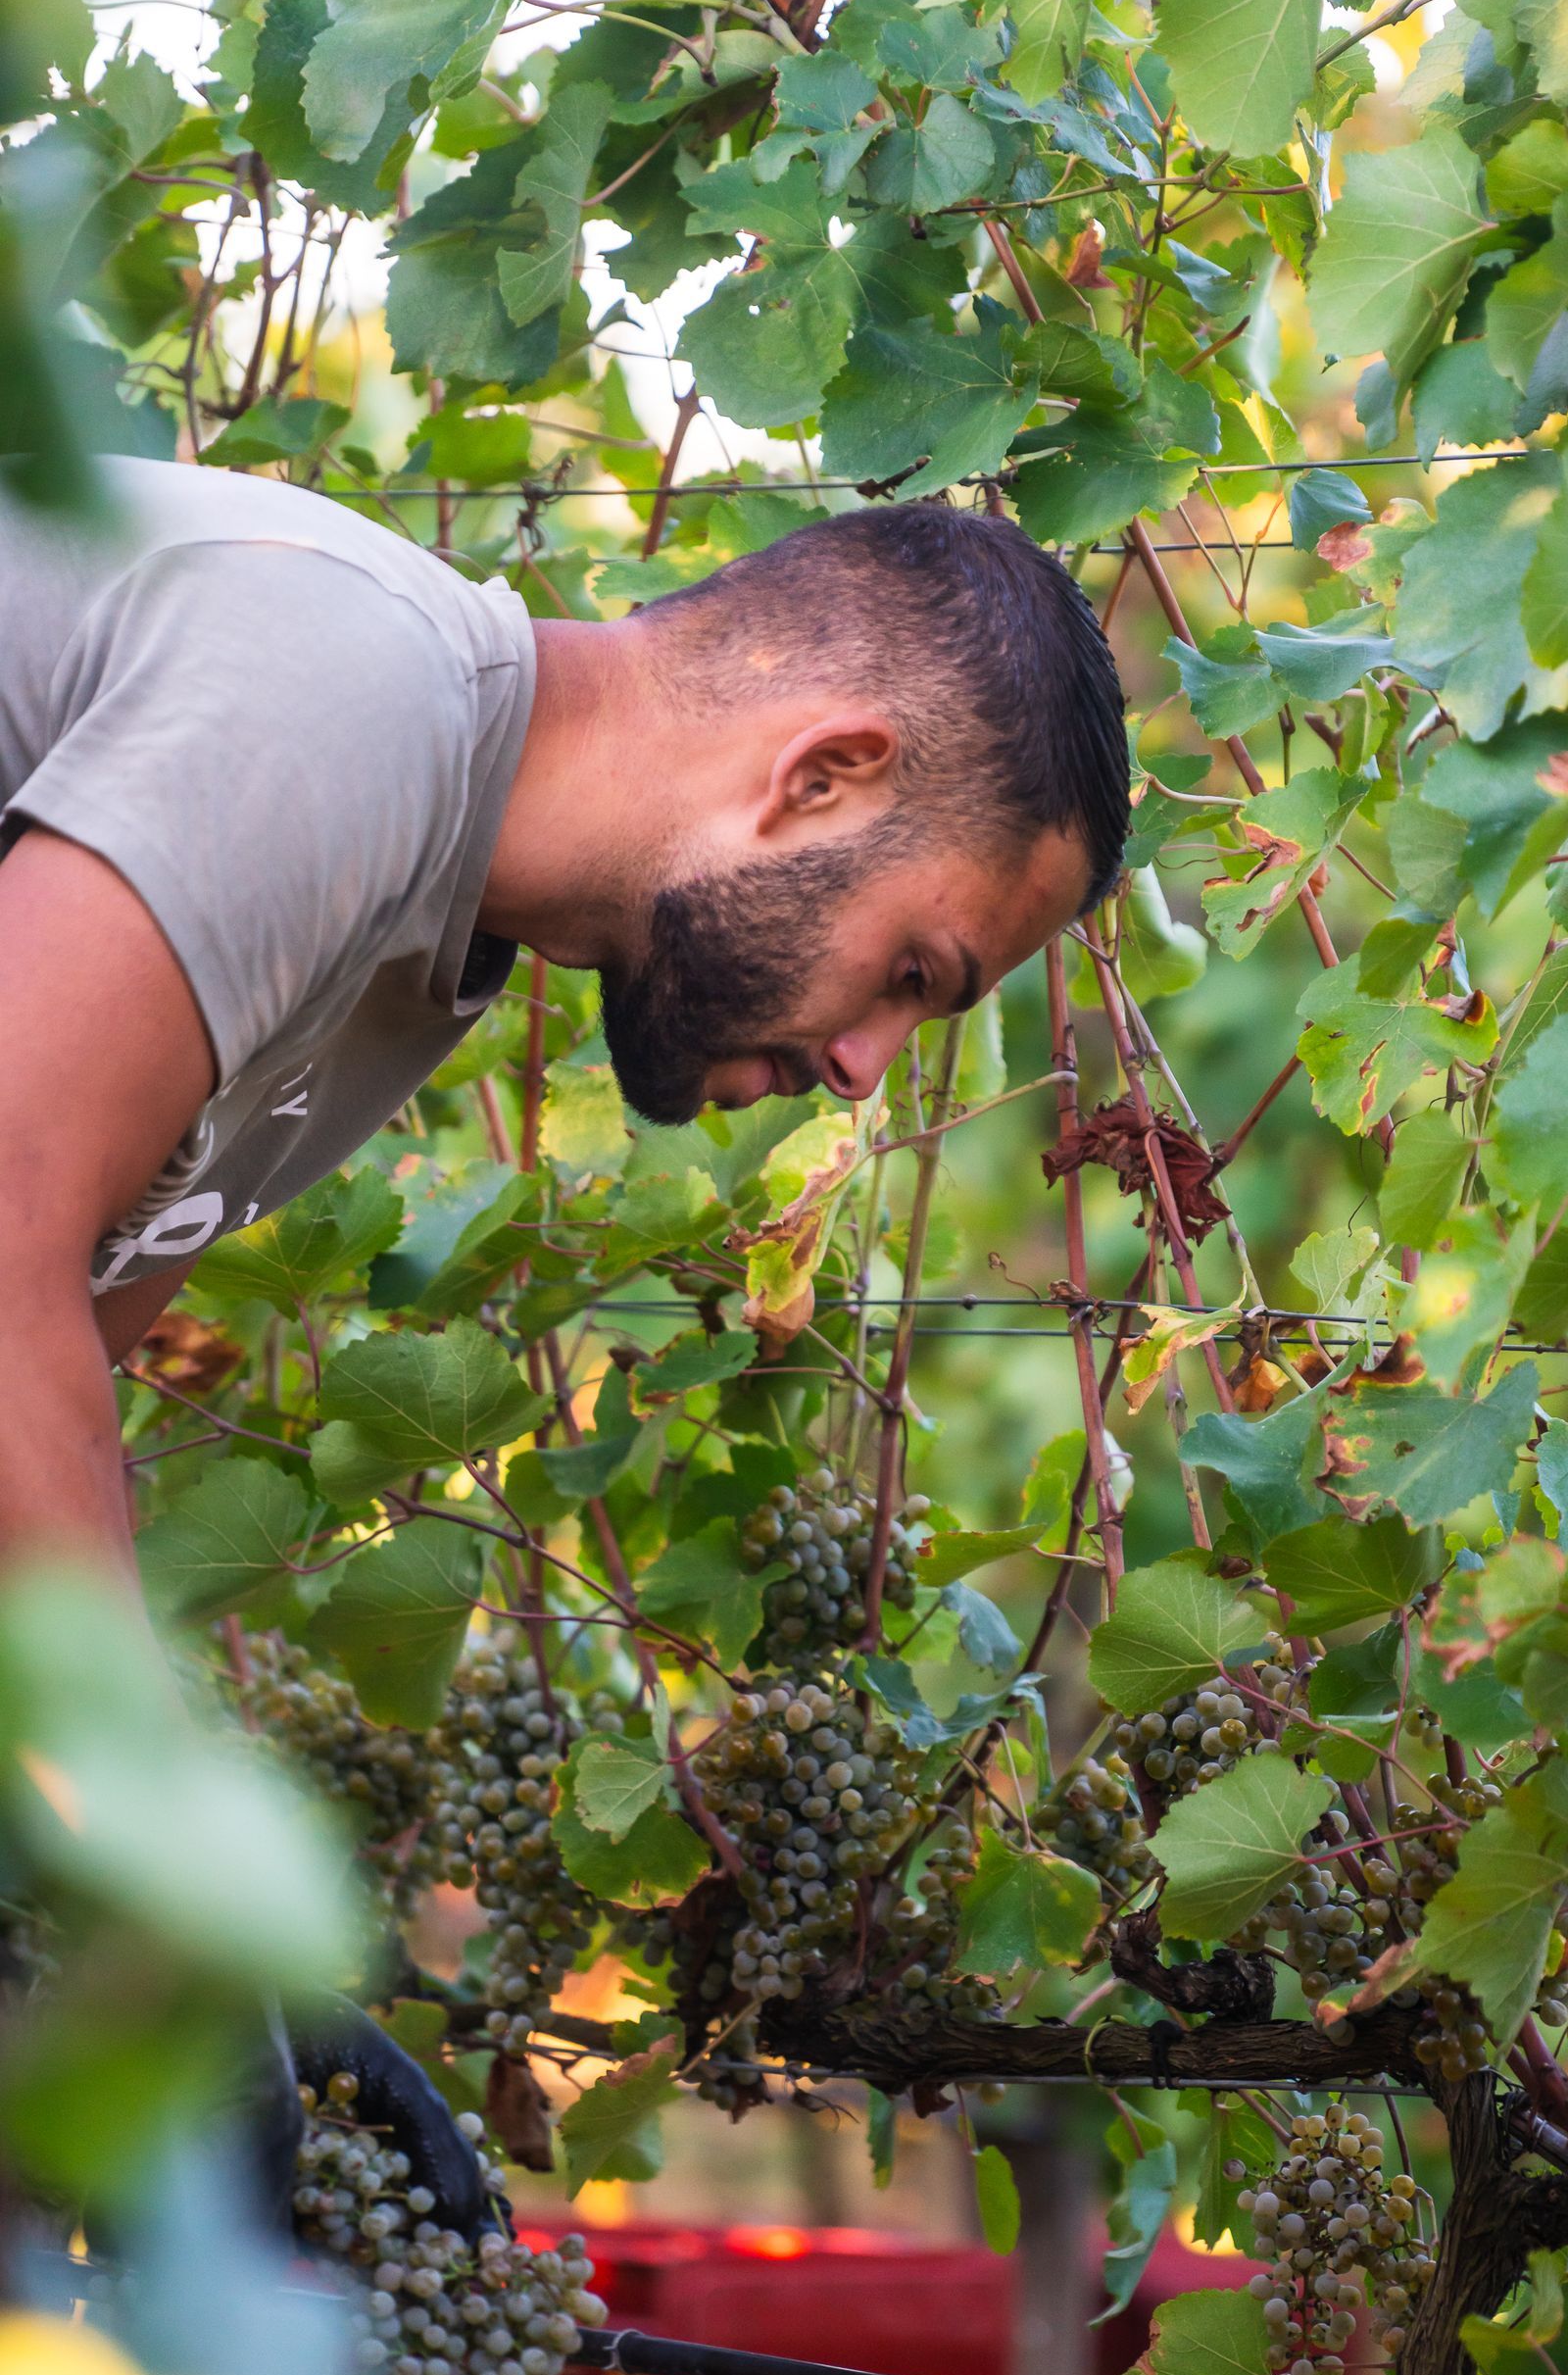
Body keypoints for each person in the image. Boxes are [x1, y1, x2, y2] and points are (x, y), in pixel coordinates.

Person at [0, 457, 1130, 1575]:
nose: (862, 1069)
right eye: (911, 973)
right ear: (821, 777)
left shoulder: (425, 931)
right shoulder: (357, 697)